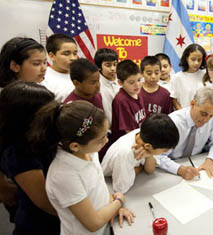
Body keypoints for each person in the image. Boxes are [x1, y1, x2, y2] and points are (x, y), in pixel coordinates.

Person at [29, 100, 134, 234]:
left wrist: (112, 204)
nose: (106, 141)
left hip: (106, 225)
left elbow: (98, 185)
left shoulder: (89, 151)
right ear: (75, 146)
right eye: (100, 139)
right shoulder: (64, 176)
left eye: (106, 134)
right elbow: (93, 223)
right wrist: (119, 200)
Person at [0, 81, 59, 234]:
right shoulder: (18, 152)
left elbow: (84, 130)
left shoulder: (43, 132)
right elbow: (45, 203)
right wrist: (86, 214)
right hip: (40, 224)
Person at [102, 113, 179, 193]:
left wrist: (149, 156)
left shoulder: (146, 136)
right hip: (107, 183)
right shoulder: (126, 152)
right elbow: (121, 189)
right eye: (164, 150)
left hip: (126, 177)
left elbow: (150, 171)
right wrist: (140, 167)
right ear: (148, 146)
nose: (166, 152)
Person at [159, 87, 213, 180]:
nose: (206, 120)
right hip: (171, 169)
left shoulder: (212, 119)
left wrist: (211, 160)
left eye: (211, 115)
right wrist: (180, 169)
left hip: (196, 163)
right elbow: (157, 156)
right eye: (203, 114)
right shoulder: (173, 122)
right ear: (192, 104)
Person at [108, 60, 146, 150]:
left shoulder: (138, 92)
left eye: (139, 80)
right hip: (127, 145)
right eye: (131, 82)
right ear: (120, 83)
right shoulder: (121, 101)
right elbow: (129, 132)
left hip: (139, 137)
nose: (137, 85)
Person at [42, 34, 78, 102]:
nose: (73, 58)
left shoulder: (81, 73)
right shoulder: (43, 79)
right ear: (52, 56)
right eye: (66, 54)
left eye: (75, 53)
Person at [170, 44, 206, 110]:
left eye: (199, 60)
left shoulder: (205, 74)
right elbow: (174, 100)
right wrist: (183, 114)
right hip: (184, 115)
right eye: (193, 59)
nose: (196, 63)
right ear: (187, 58)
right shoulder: (177, 77)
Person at [94, 48, 120, 124]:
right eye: (108, 65)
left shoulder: (122, 79)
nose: (113, 68)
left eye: (115, 64)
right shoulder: (96, 85)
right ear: (99, 67)